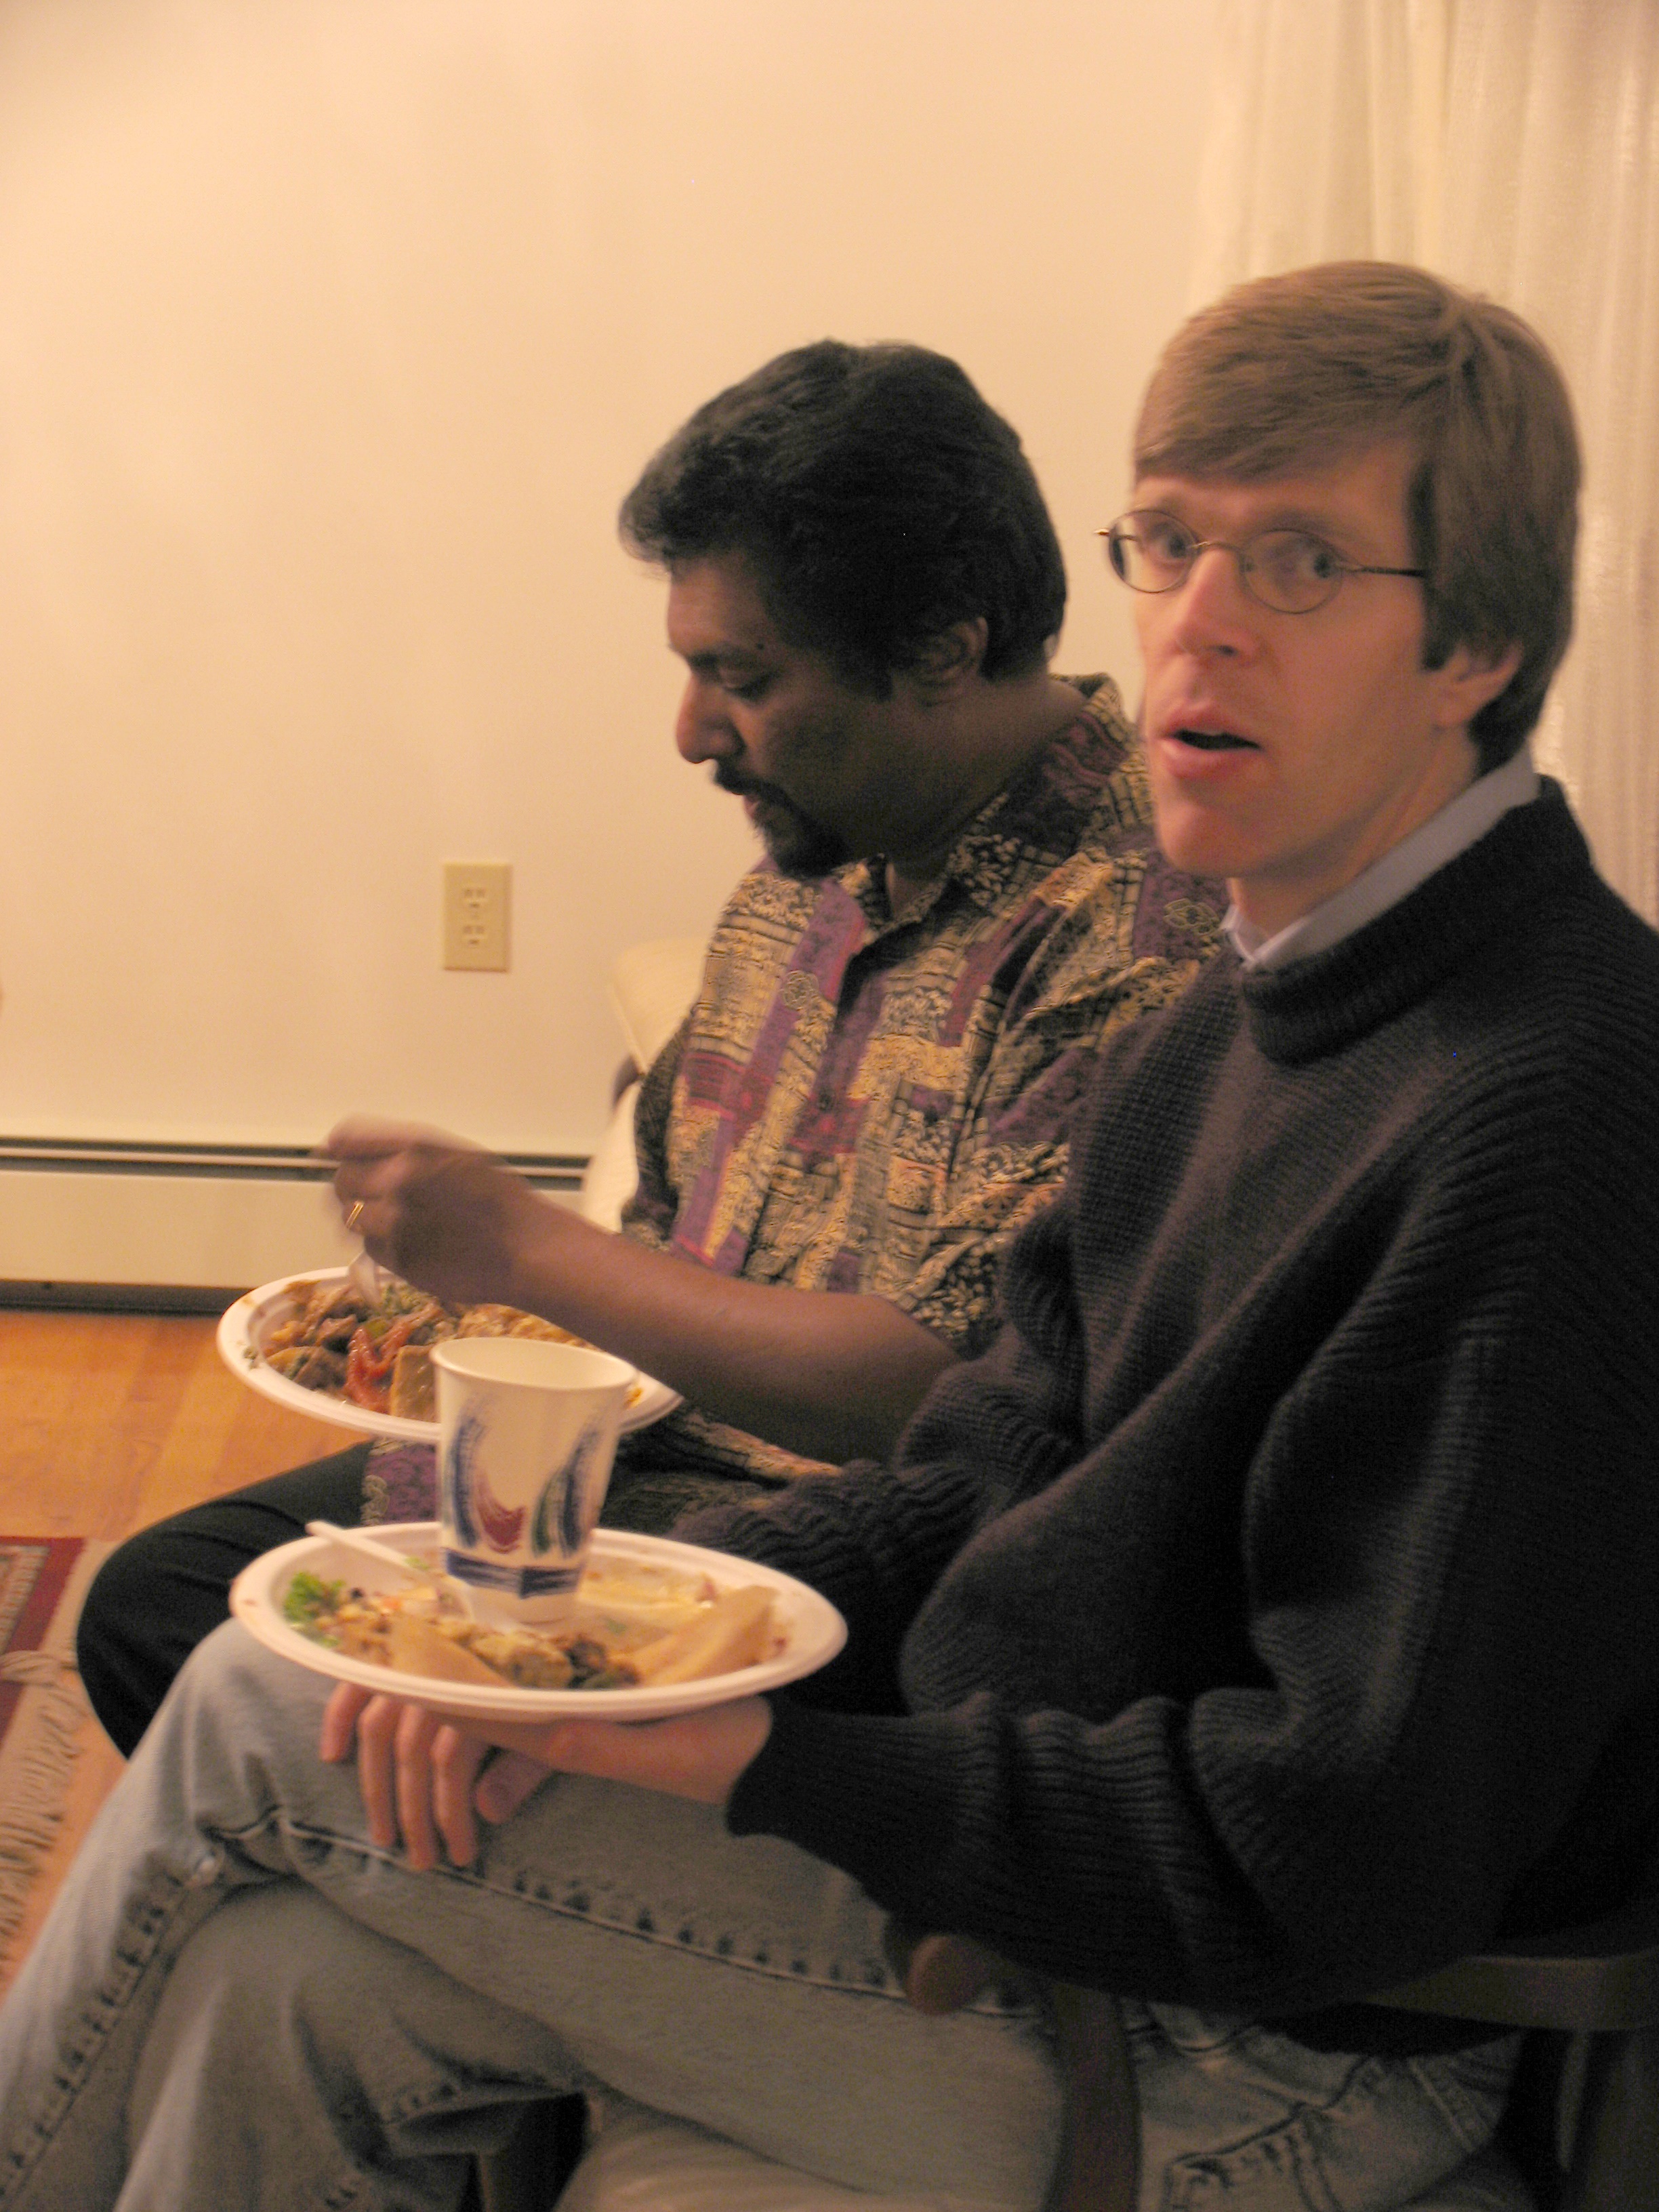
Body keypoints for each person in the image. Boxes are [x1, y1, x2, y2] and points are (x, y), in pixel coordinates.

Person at [7, 261, 1657, 2212]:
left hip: (1260, 2050)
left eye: (1300, 562)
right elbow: (979, 1471)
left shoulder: (1544, 1108)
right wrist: (612, 1655)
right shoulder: (1237, 1019)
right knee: (277, 1986)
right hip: (1037, 1900)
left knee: (249, 1704)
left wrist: (762, 1762)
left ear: (1477, 643)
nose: (1201, 624)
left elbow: (1338, 1850)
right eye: (1169, 543)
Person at [76, 338, 1220, 1757]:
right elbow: (671, 1240)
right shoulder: (813, 873)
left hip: (859, 1573)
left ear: (943, 647)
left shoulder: (1143, 927)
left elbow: (958, 1397)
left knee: (262, 1685)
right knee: (165, 1607)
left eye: (741, 675)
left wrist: (524, 1248)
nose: (690, 733)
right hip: (635, 1470)